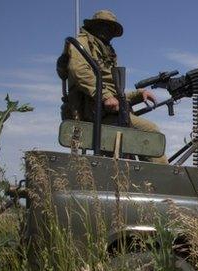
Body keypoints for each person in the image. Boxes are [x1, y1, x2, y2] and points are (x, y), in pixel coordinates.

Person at [59, 10, 167, 164]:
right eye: (104, 25)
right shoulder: (82, 43)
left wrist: (137, 94)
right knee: (150, 132)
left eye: (111, 27)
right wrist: (104, 96)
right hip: (93, 111)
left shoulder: (105, 50)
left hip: (105, 110)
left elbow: (113, 93)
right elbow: (79, 71)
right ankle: (162, 182)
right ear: (94, 26)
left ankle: (145, 181)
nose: (107, 31)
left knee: (135, 142)